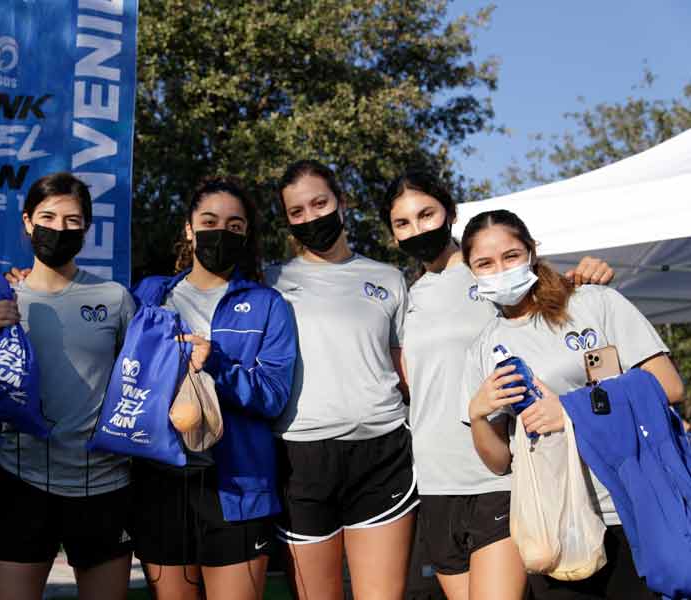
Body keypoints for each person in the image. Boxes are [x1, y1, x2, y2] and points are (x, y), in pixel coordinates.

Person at [383, 171, 613, 600]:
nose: (417, 230)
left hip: (499, 476)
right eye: (403, 223)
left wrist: (584, 276)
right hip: (434, 480)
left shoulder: (488, 272)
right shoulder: (408, 294)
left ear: (449, 212)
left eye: (426, 214)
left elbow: (550, 300)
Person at [461, 208, 684, 600]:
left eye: (511, 256)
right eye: (485, 263)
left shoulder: (594, 303)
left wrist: (568, 411)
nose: (500, 269)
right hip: (559, 524)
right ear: (471, 272)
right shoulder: (484, 346)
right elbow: (498, 462)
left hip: (631, 504)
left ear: (531, 252)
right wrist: (478, 414)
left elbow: (669, 385)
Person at [130, 177, 297, 600]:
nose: (221, 232)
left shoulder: (269, 304)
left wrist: (217, 364)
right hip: (160, 481)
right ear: (189, 228)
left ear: (247, 235)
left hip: (239, 485)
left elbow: (274, 396)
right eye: (209, 221)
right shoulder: (150, 293)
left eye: (235, 225)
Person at [0, 173, 136, 600]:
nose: (59, 229)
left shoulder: (115, 297)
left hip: (104, 485)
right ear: (27, 222)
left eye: (72, 220)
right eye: (48, 217)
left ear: (86, 228)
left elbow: (136, 384)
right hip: (20, 481)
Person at [267, 160, 417, 600]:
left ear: (341, 202)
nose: (312, 217)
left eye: (320, 203)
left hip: (383, 453)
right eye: (297, 212)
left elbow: (407, 371)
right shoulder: (269, 280)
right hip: (301, 460)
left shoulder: (388, 278)